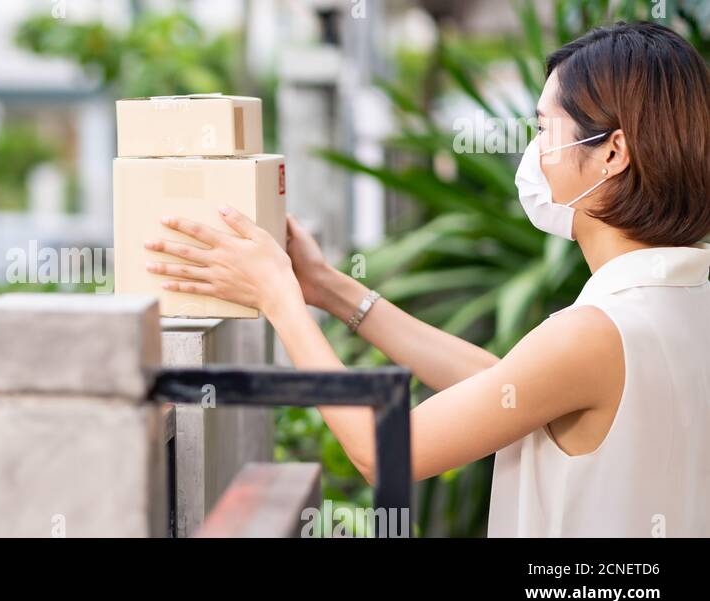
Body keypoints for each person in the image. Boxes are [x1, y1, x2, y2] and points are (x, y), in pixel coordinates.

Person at [145, 22, 710, 537]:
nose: (534, 152)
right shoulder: (680, 297)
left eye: (544, 130)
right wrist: (328, 288)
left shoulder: (598, 330)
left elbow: (382, 451)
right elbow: (510, 386)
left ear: (613, 152)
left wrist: (280, 299)